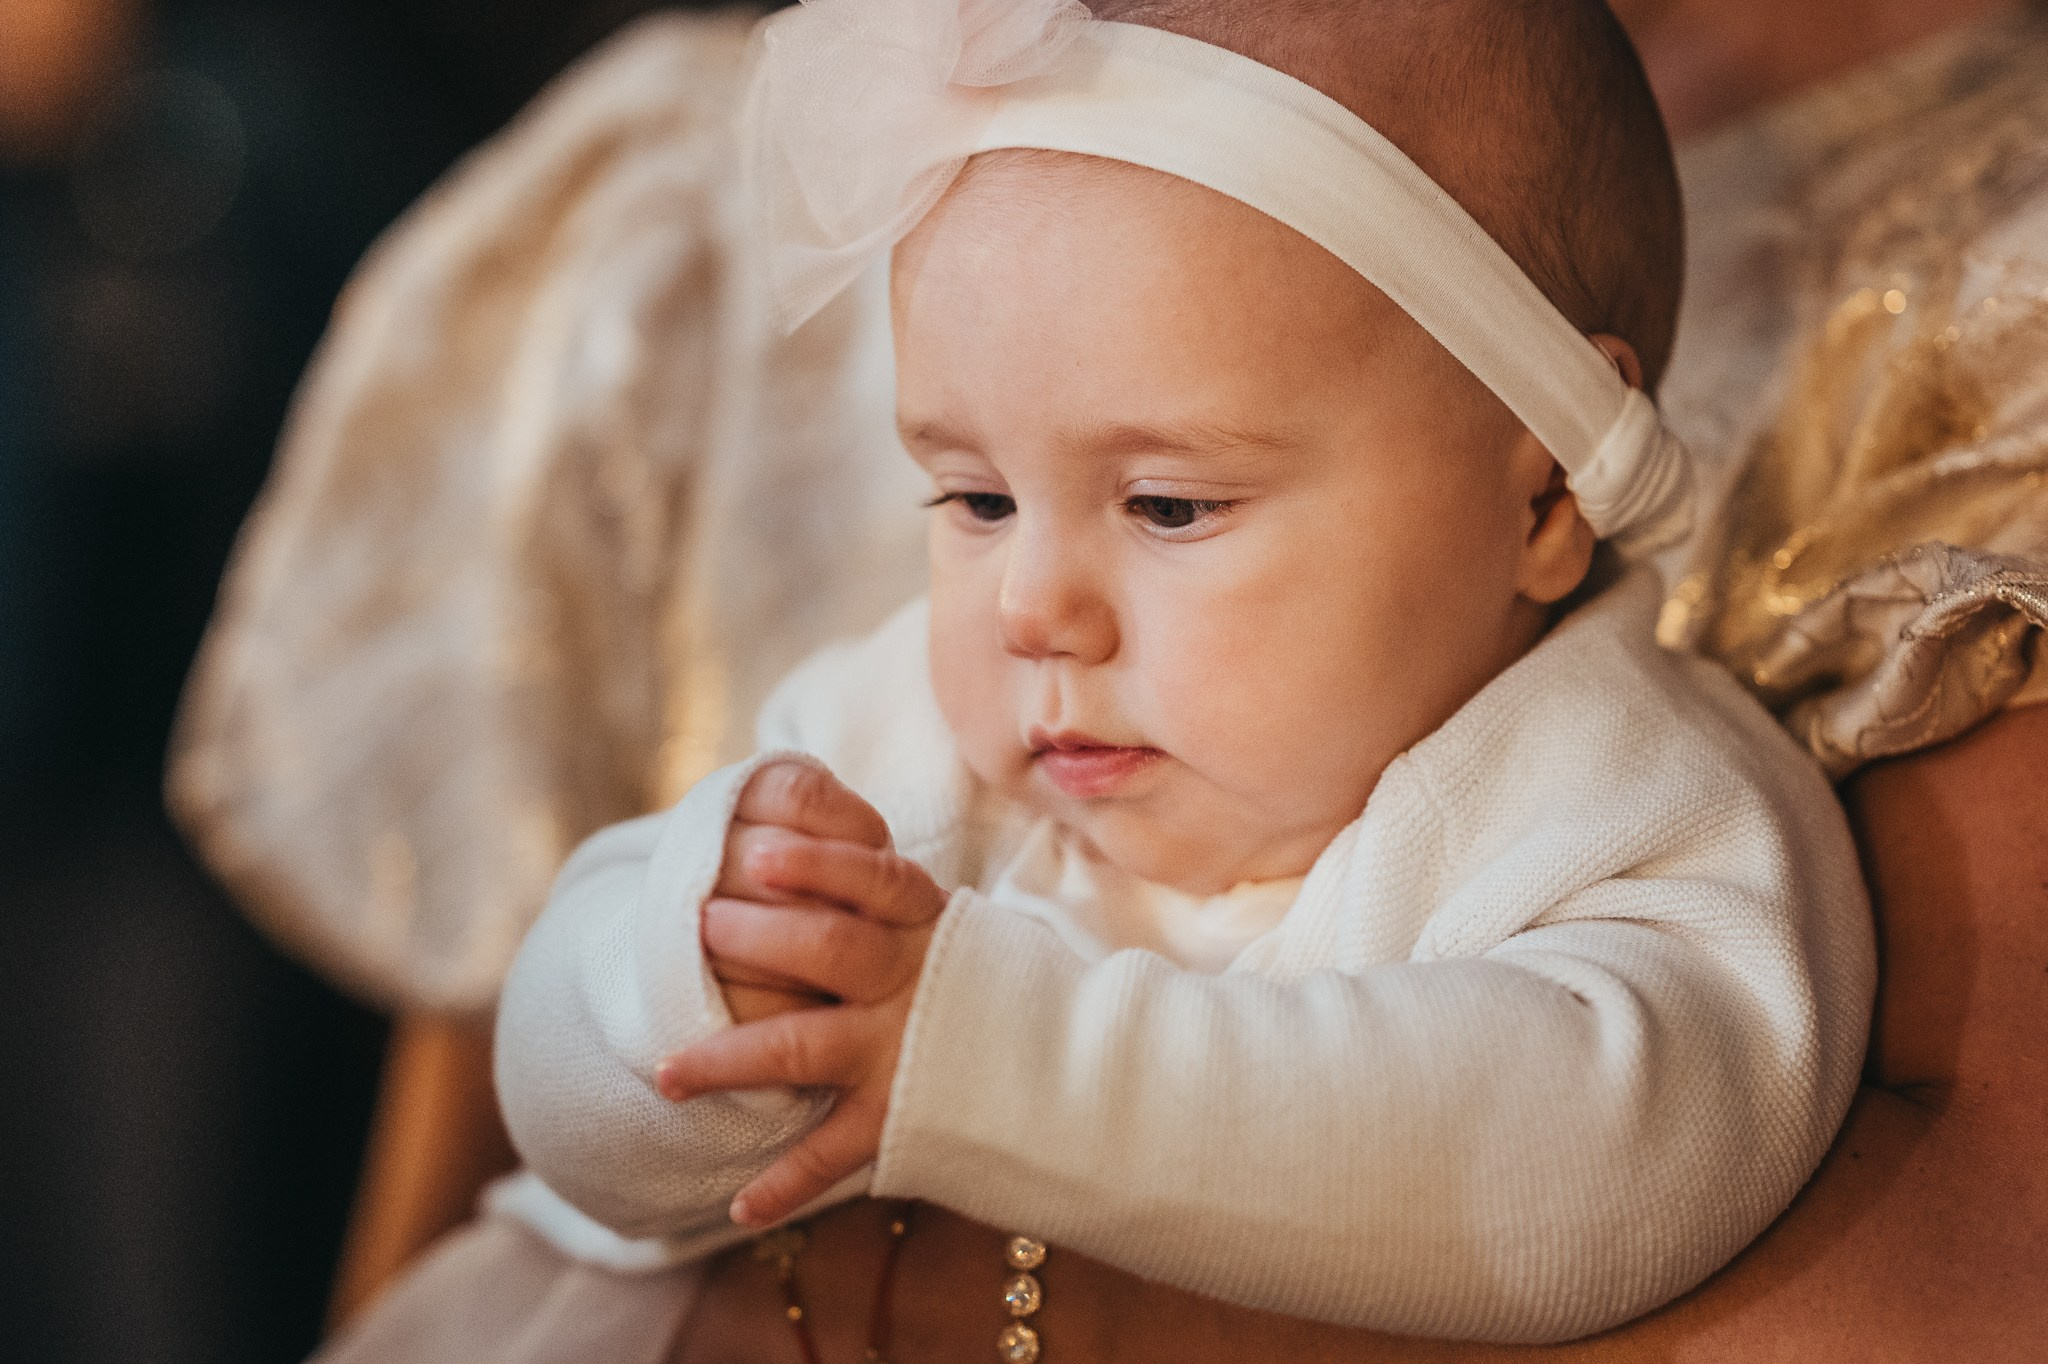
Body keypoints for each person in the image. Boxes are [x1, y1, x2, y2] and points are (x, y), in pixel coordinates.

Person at [342, 0, 1876, 1355]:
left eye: (1168, 506)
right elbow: (574, 1105)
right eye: (975, 500)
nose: (1031, 609)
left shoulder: (1616, 797)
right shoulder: (905, 747)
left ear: (1536, 498)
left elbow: (1597, 1169)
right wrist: (690, 984)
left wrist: (1006, 1061)